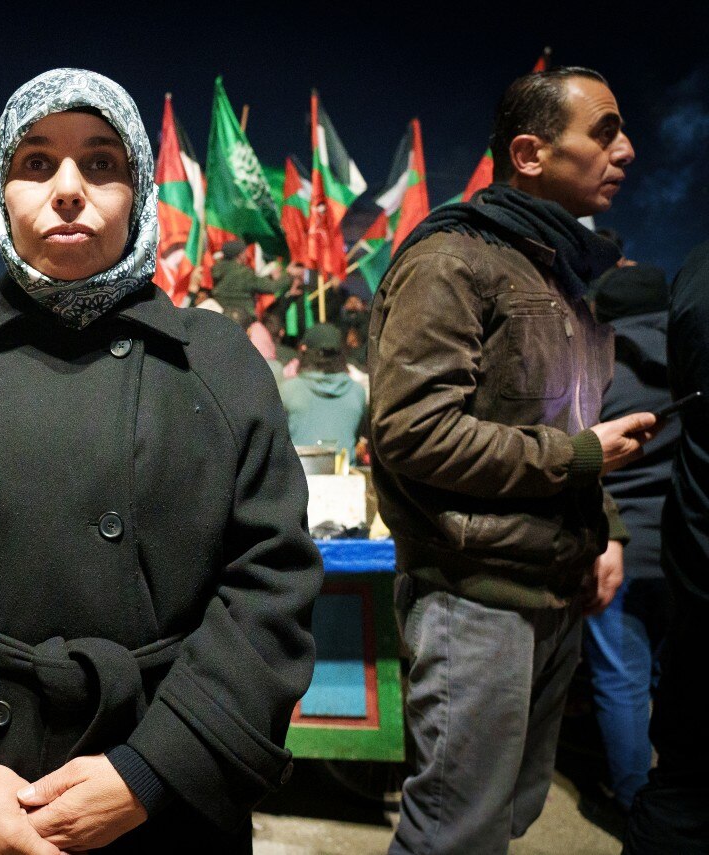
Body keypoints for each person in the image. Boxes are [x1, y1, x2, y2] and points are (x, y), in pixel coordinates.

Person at [0, 68, 321, 855]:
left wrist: (154, 768)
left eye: (100, 163)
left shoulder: (218, 363)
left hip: (163, 791)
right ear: (0, 188)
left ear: (139, 192)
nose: (66, 189)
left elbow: (271, 586)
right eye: (35, 163)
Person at [368, 67, 659, 854]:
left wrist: (607, 527)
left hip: (553, 590)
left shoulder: (568, 278)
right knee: (454, 833)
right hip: (474, 600)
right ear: (529, 153)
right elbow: (413, 432)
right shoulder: (452, 260)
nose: (626, 150)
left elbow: (573, 417)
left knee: (510, 814)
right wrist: (579, 458)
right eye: (604, 131)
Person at [624, 240, 709, 852]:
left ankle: (624, 790)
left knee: (624, 683)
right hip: (670, 546)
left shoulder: (597, 366)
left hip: (647, 552)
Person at [584, 263, 676, 818]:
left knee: (621, 682)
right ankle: (673, 802)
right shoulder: (697, 363)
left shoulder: (596, 374)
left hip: (615, 550)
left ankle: (635, 805)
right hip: (687, 546)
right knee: (672, 676)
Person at [278, 323, 366, 456]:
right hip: (345, 475)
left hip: (301, 474)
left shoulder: (287, 392)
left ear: (304, 352)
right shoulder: (358, 392)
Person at [210, 239, 279, 316]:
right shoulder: (244, 273)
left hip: (220, 316)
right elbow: (271, 287)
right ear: (239, 255)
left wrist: (269, 276)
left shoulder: (217, 270)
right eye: (244, 252)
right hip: (242, 319)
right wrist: (288, 276)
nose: (246, 254)